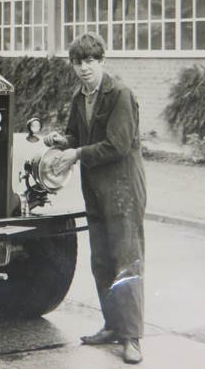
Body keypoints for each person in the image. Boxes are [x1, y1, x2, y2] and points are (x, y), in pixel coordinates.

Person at [43, 32, 146, 365]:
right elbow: (77, 135)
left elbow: (117, 145)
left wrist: (74, 153)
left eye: (91, 61)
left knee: (126, 259)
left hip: (123, 189)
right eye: (78, 62)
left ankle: (132, 338)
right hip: (95, 188)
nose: (84, 68)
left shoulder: (120, 95)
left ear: (102, 61)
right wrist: (62, 140)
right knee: (101, 258)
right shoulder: (79, 97)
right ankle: (112, 326)